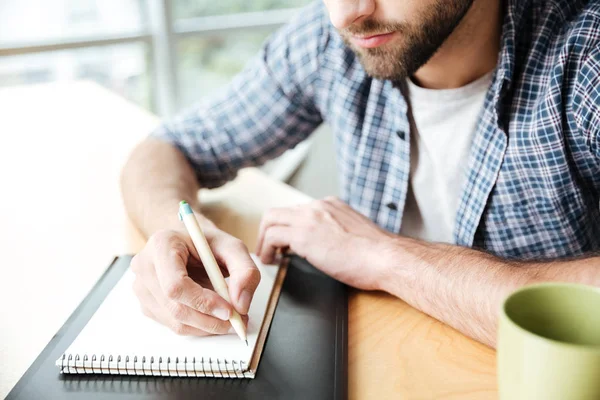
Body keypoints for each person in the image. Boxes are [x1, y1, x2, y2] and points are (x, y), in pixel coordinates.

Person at [121, 0, 600, 348]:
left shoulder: (586, 54)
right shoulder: (331, 40)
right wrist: (179, 229)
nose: (344, 14)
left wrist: (386, 257)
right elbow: (167, 149)